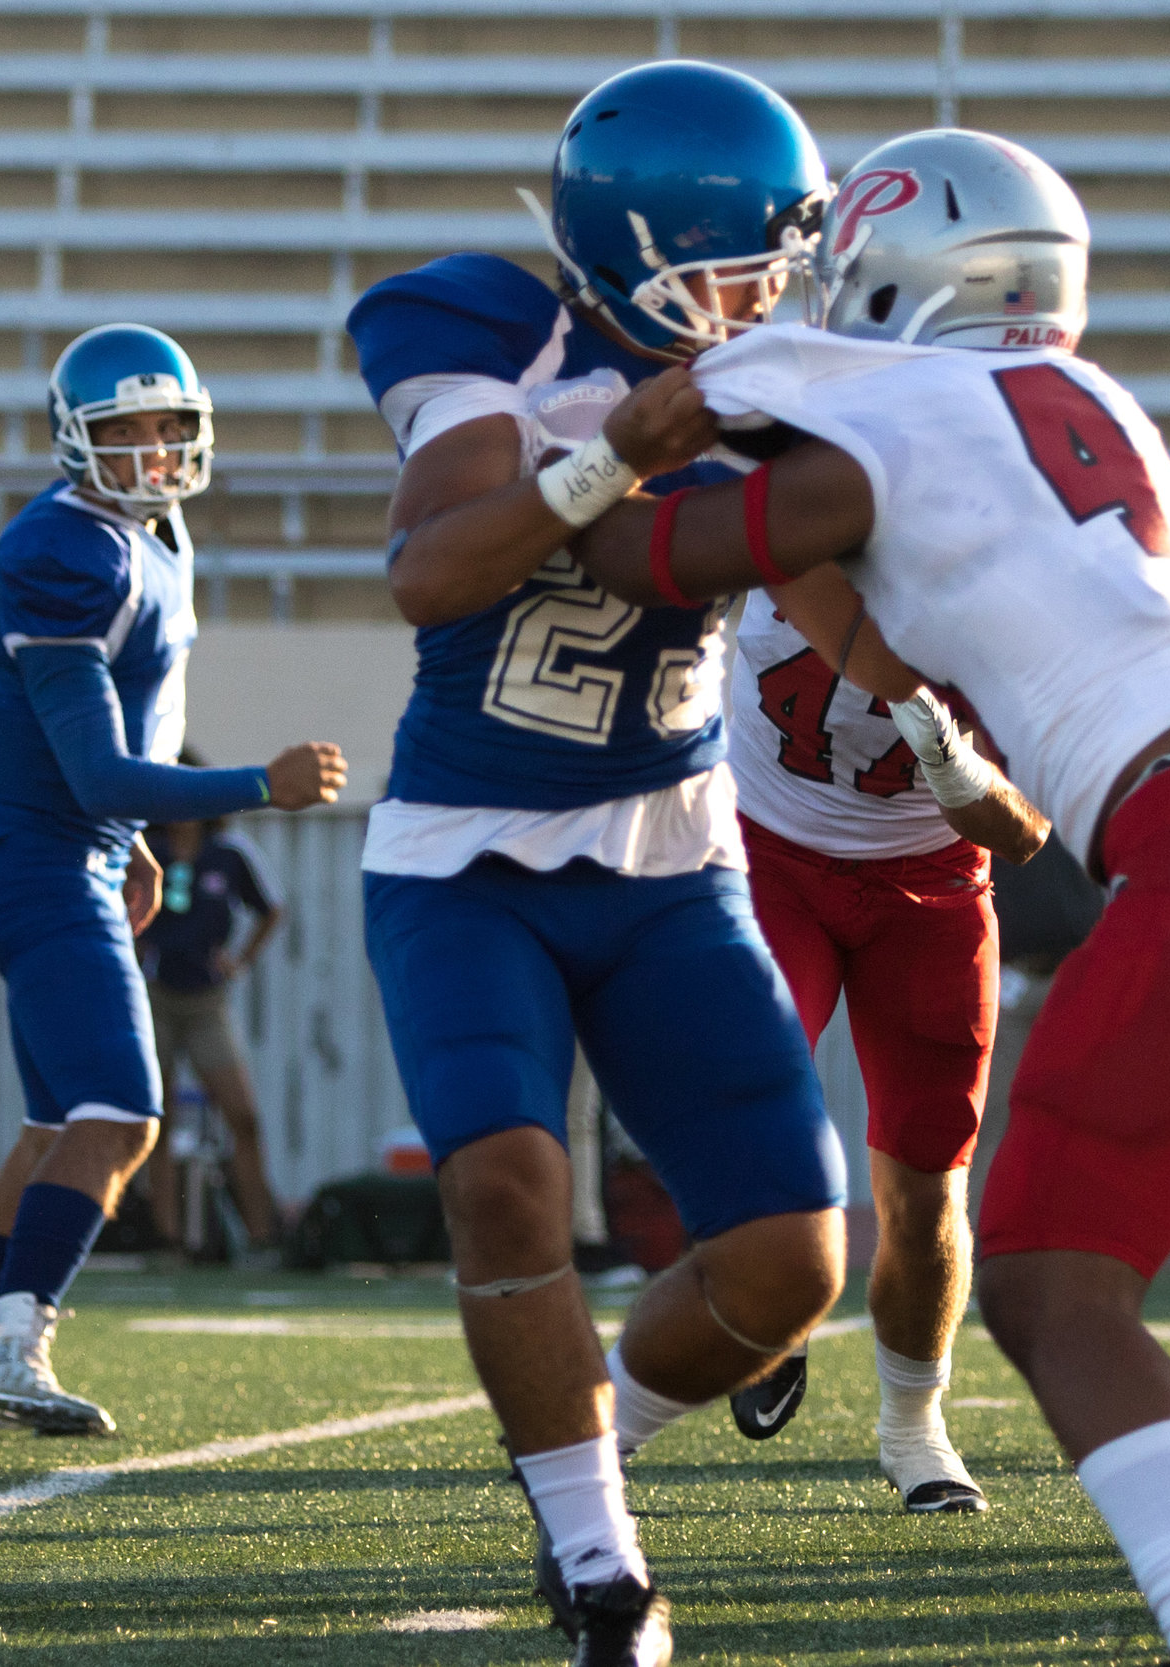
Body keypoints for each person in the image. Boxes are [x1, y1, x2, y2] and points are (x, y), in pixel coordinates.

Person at [574, 127, 1170, 1667]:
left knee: (1048, 1285)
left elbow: (669, 546)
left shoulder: (879, 411)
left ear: (904, 276)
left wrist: (563, 469)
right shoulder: (1087, 393)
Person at [343, 62, 851, 1666]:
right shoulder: (488, 324)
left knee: (791, 1260)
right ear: (641, 244)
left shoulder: (785, 378)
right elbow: (431, 574)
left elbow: (850, 616)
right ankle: (598, 1560)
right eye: (744, 258)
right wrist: (610, 455)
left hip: (668, 855)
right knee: (506, 1176)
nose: (771, 291)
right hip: (467, 853)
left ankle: (593, 1436)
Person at [0, 323, 346, 1437]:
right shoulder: (69, 552)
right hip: (42, 861)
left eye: (166, 428)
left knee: (58, 1119)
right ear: (72, 438)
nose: (150, 452)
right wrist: (260, 784)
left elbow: (103, 759)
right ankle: (11, 1347)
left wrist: (132, 837)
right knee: (123, 1112)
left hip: (68, 852)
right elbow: (93, 763)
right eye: (122, 431)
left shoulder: (149, 533)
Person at [720, 571, 1050, 1512]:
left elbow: (1022, 832)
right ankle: (777, 1302)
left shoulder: (1011, 589)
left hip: (934, 888)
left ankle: (915, 1430)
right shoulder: (790, 505)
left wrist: (950, 761)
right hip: (766, 850)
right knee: (747, 1081)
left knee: (926, 1183)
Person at [136, 806, 286, 1256]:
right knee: (157, 1120)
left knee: (243, 1114)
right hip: (156, 994)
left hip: (206, 1000)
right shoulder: (150, 850)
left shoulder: (229, 854)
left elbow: (271, 910)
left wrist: (239, 960)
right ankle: (167, 1237)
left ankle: (262, 1235)